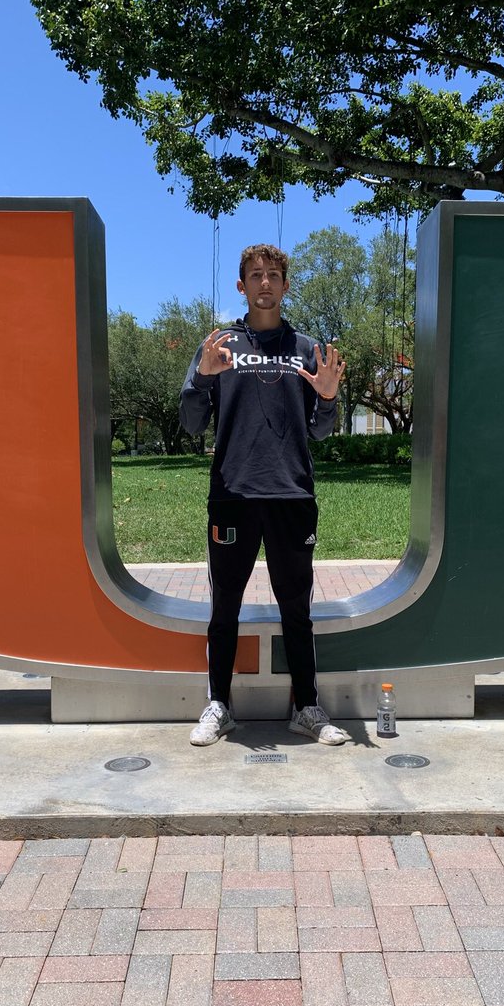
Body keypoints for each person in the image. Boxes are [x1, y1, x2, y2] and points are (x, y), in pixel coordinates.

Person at [179, 243, 349, 747]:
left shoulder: (307, 349)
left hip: (292, 495)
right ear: (242, 286)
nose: (265, 283)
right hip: (232, 494)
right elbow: (191, 422)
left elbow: (322, 431)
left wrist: (329, 396)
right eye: (255, 275)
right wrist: (204, 379)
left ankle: (307, 707)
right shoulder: (220, 345)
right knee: (224, 606)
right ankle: (219, 706)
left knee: (296, 607)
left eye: (273, 275)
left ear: (286, 285)